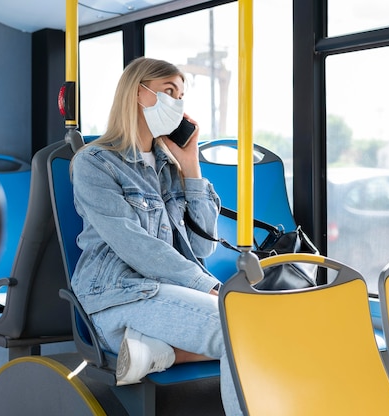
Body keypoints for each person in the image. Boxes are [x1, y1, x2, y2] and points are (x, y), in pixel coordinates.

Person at [70, 57, 242, 415]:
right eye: (167, 92)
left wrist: (191, 165)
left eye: (180, 95)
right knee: (242, 331)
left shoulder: (168, 165)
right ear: (137, 93)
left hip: (167, 294)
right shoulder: (94, 163)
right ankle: (160, 353)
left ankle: (157, 354)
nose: (177, 104)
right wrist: (207, 285)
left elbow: (203, 245)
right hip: (119, 296)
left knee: (252, 327)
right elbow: (135, 245)